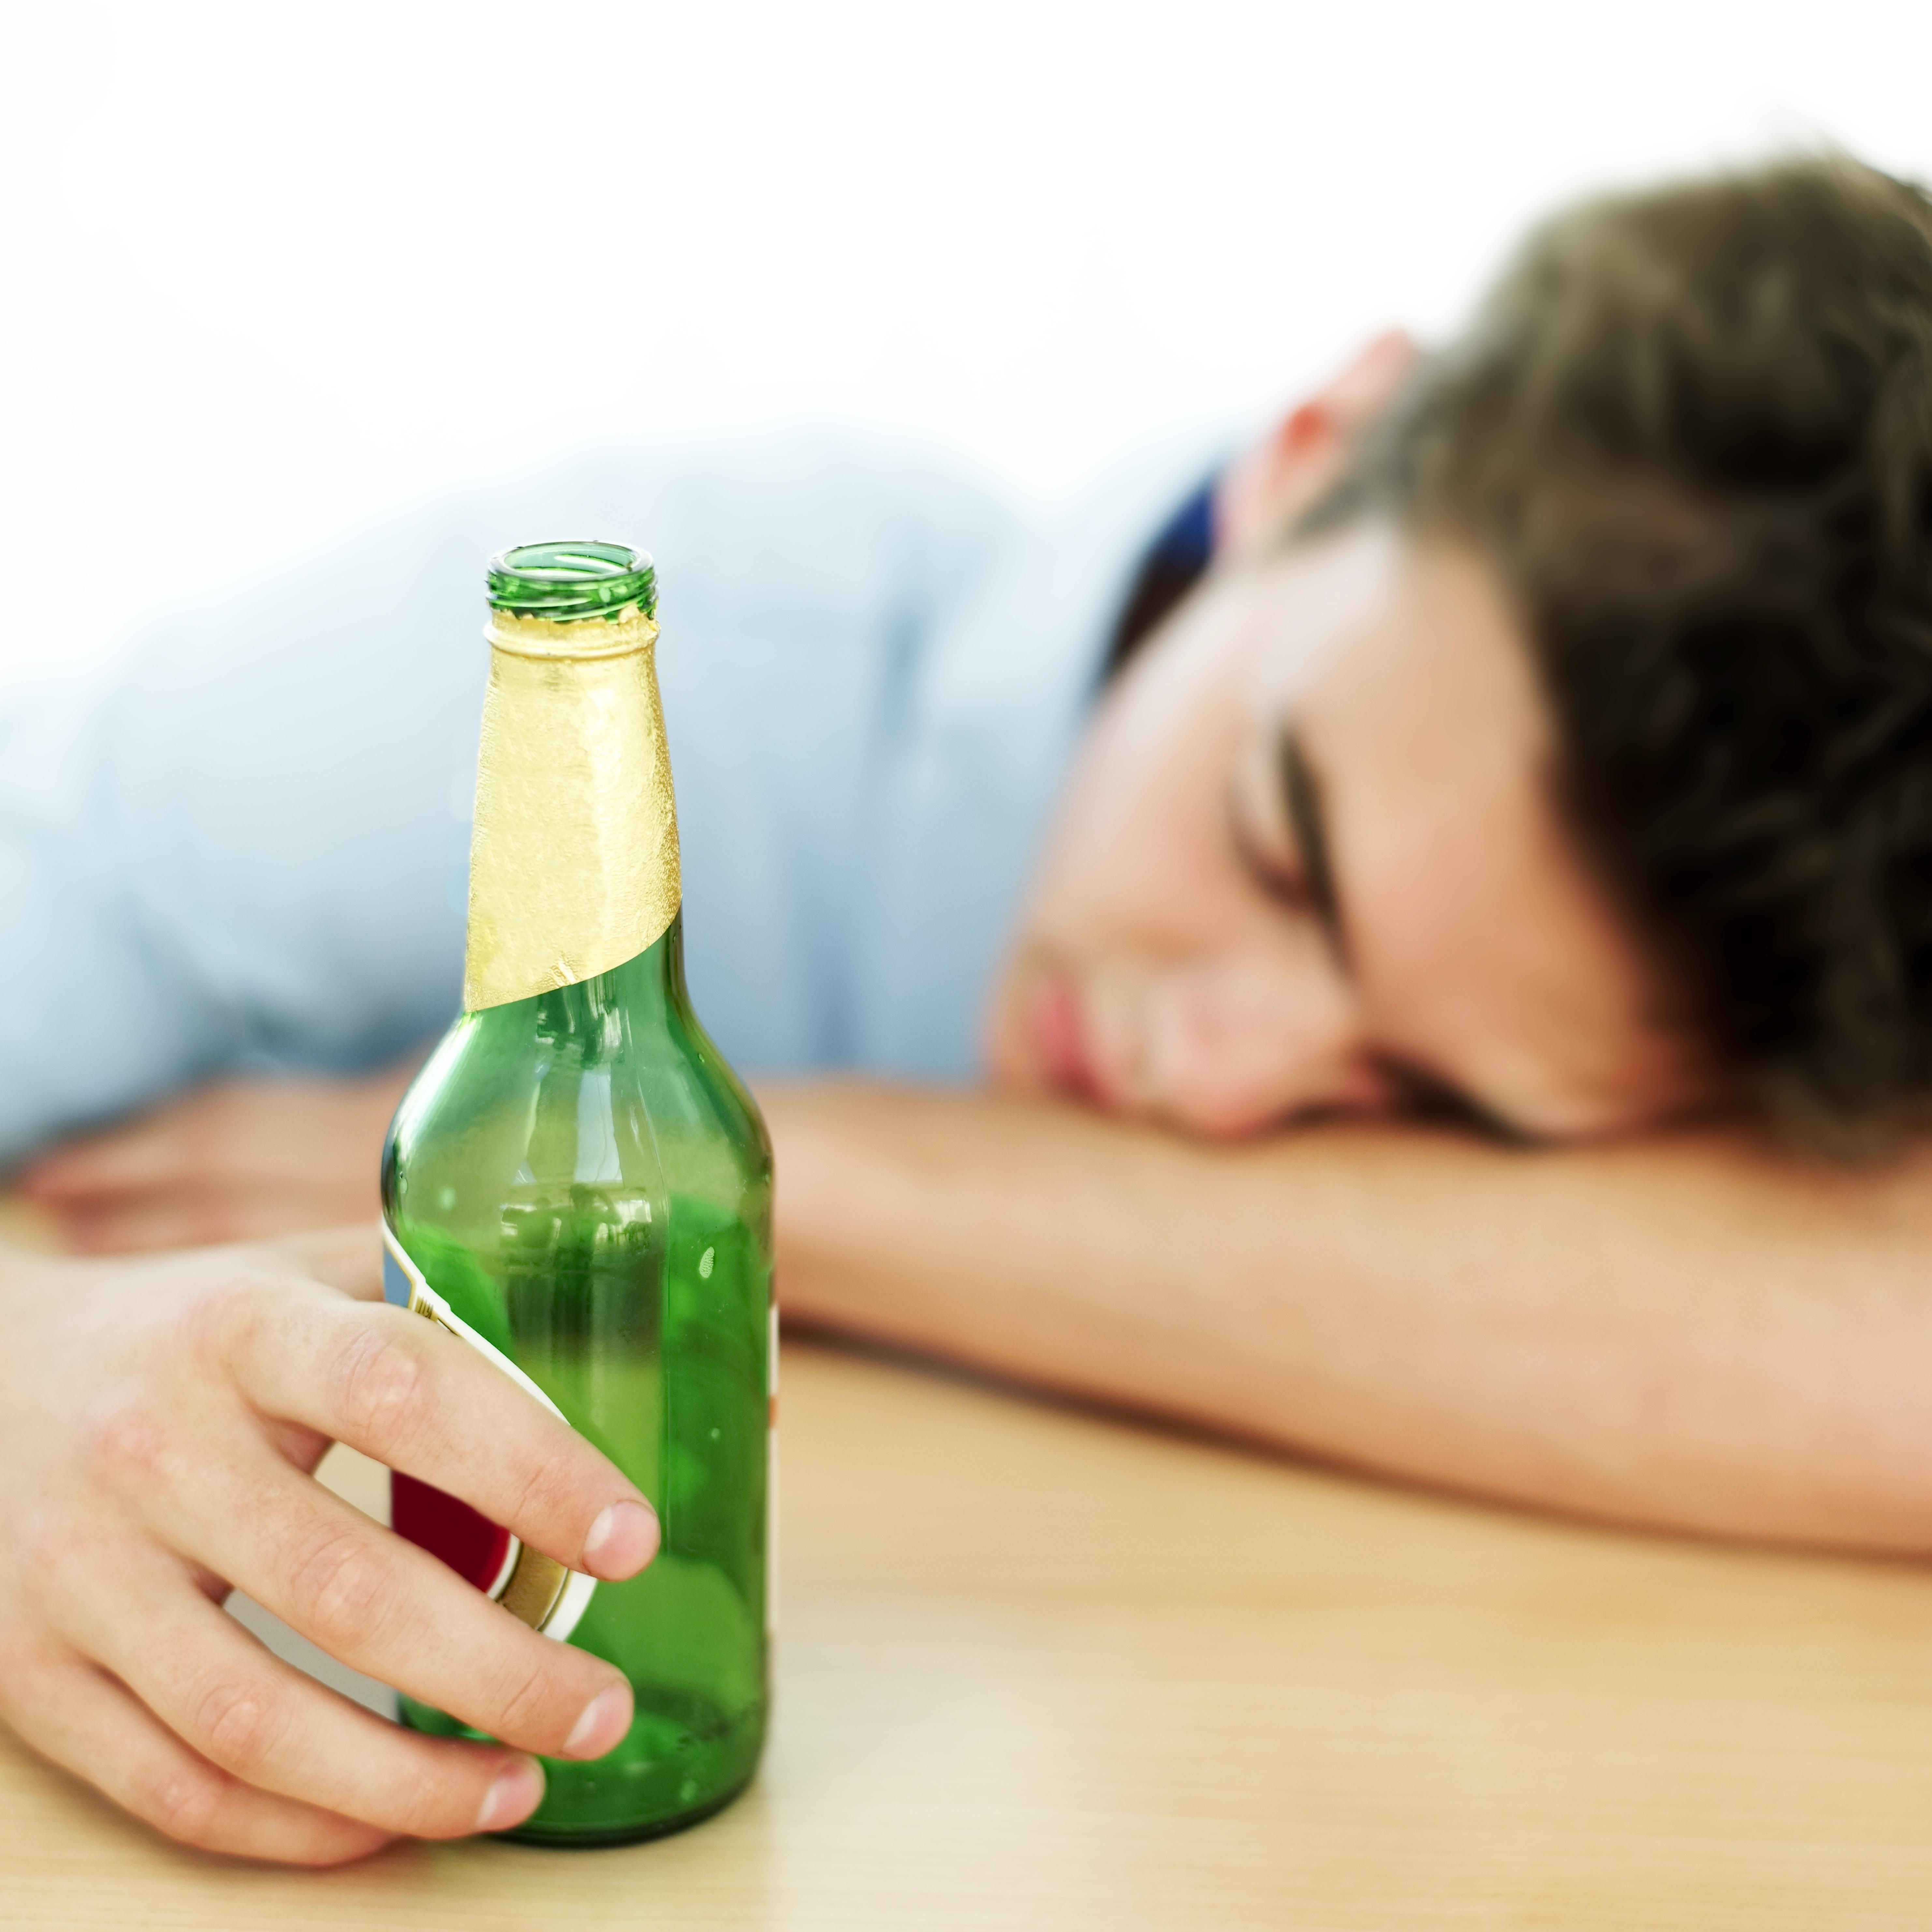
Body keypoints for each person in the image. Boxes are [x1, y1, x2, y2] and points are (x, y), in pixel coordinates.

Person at [10, 153, 1932, 1865]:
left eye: (1443, 1096)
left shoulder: (1758, 985)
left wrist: (806, 1187)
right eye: (1284, 845)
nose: (1217, 1076)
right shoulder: (612, 688)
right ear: (1320, 451)